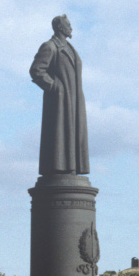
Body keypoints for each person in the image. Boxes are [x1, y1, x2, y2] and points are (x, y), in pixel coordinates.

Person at [31, 14, 89, 175]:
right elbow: (36, 70)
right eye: (68, 25)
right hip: (60, 101)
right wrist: (54, 87)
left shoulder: (70, 48)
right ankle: (59, 168)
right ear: (60, 27)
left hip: (75, 100)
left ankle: (72, 168)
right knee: (60, 134)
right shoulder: (50, 46)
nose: (71, 28)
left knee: (74, 133)